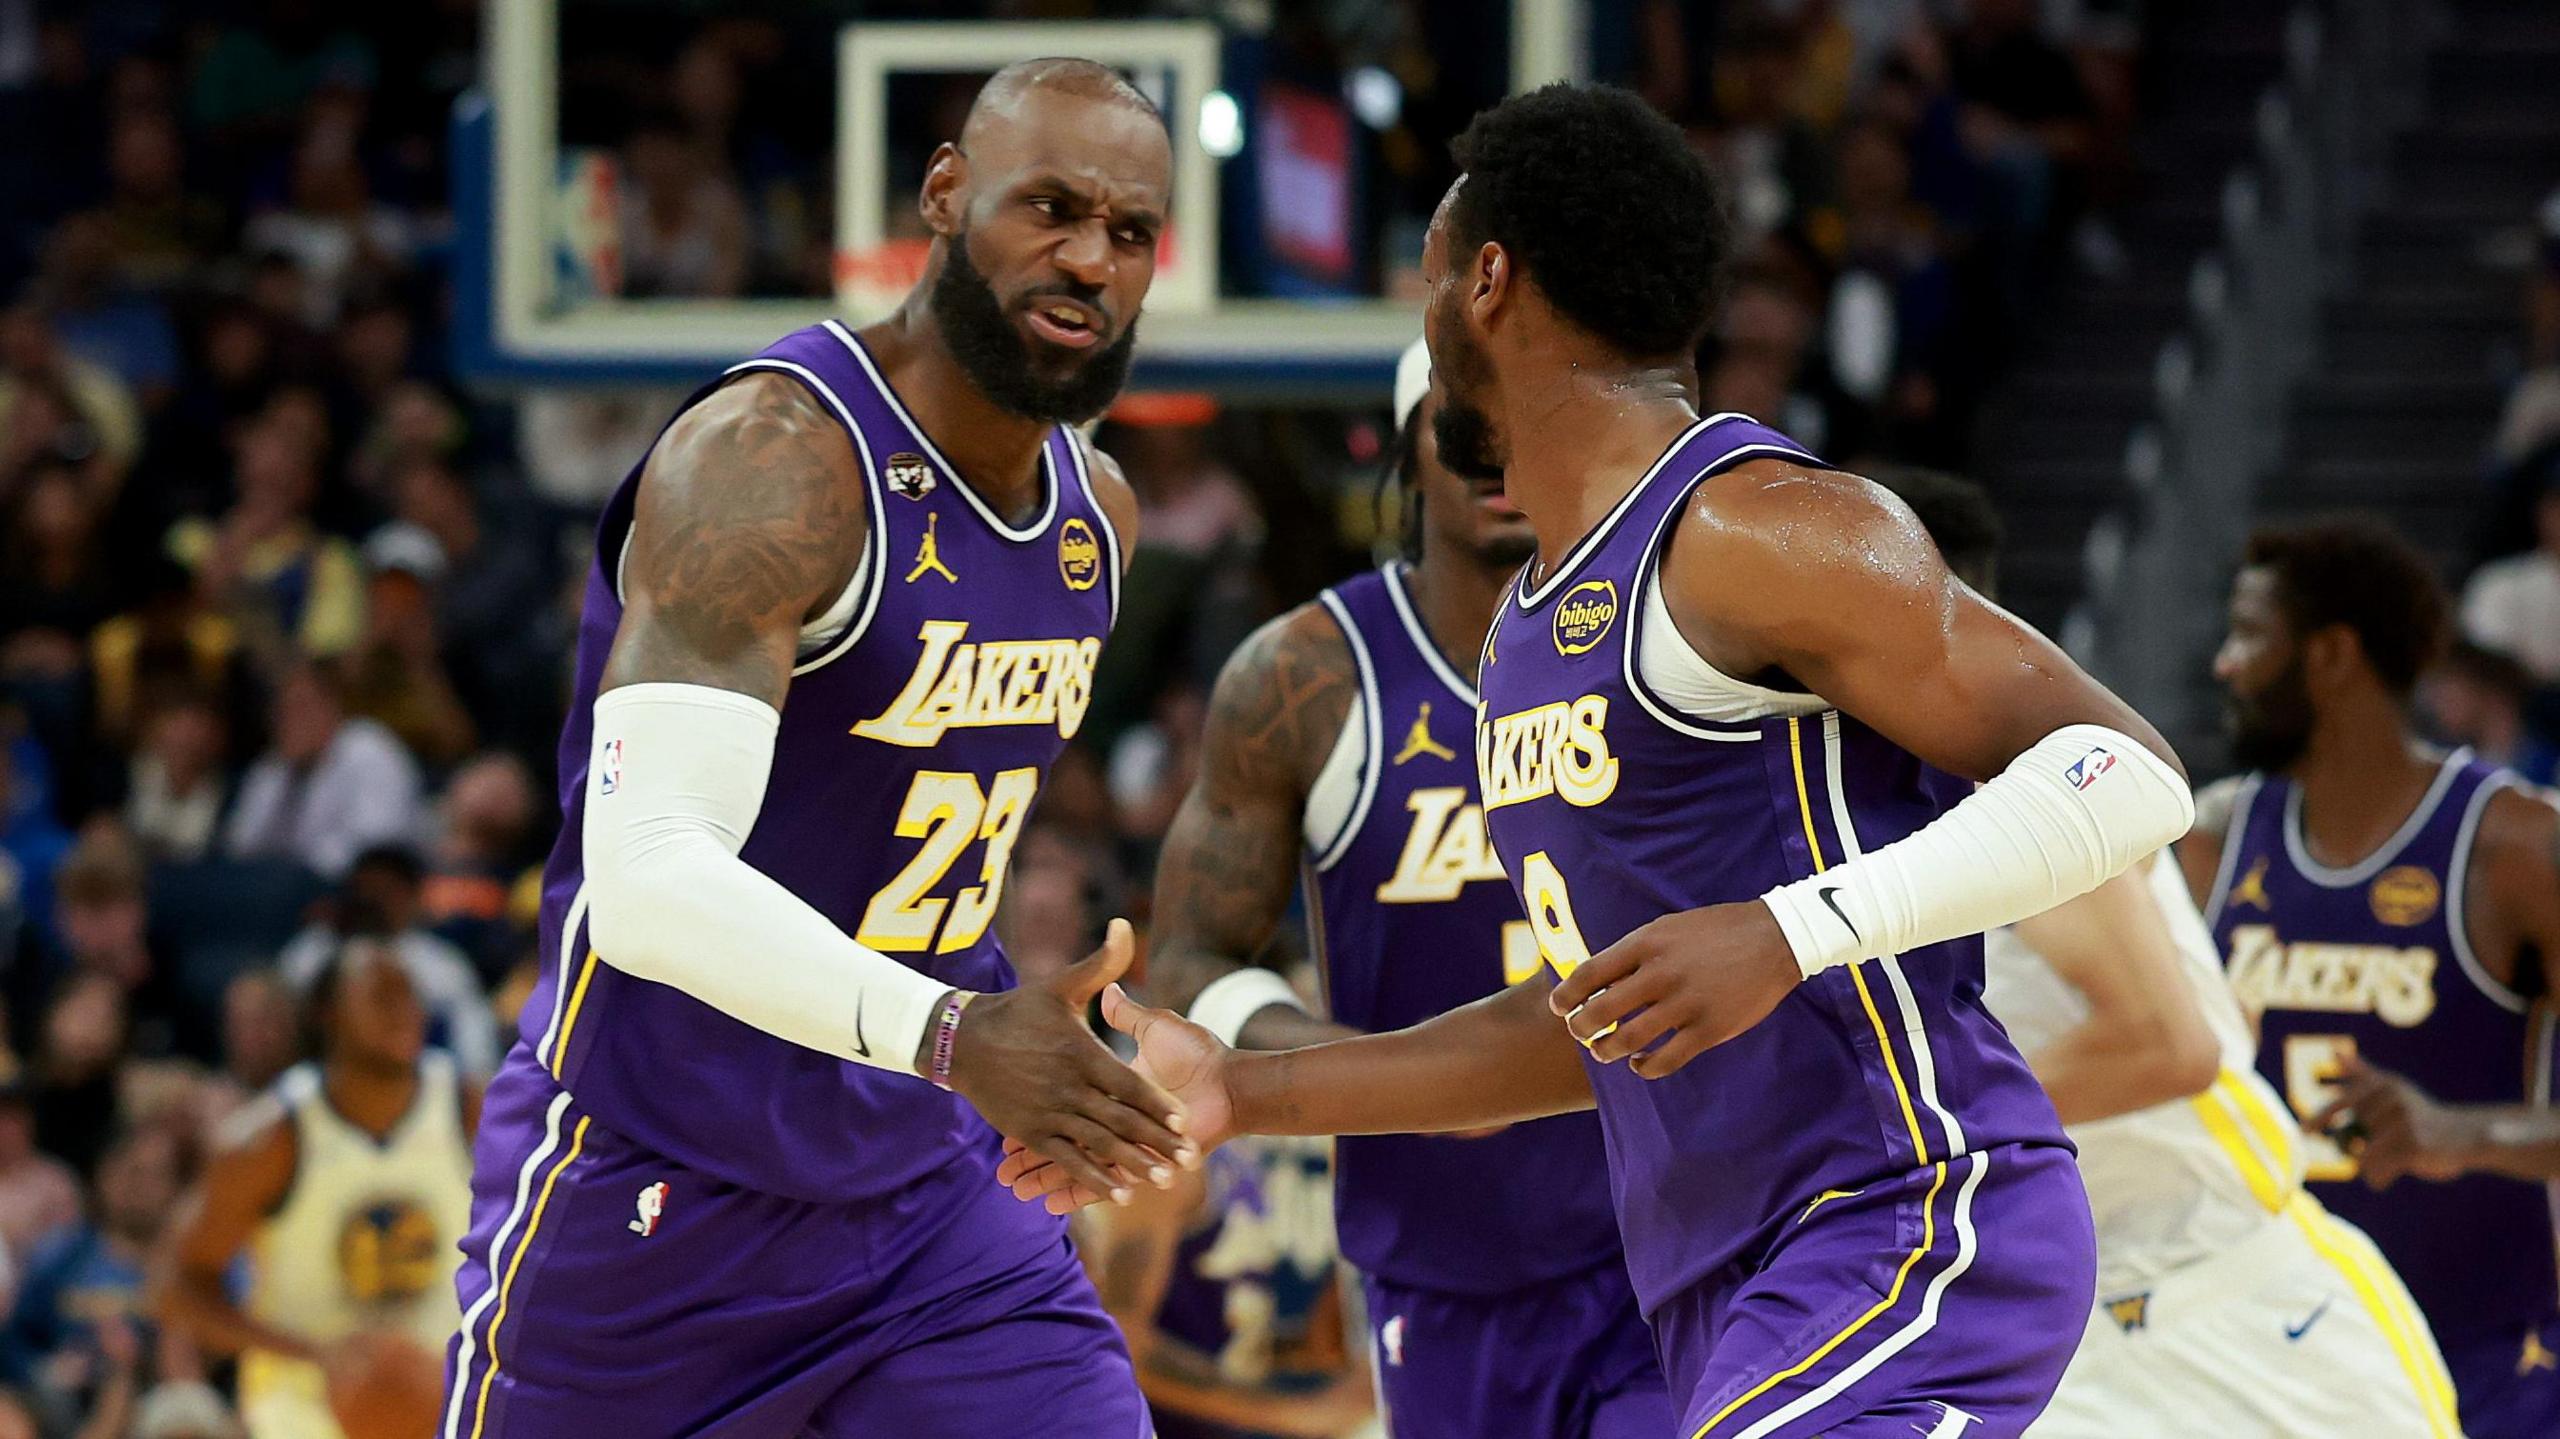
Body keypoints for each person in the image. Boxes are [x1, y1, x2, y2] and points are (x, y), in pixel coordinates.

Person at [1018, 84, 2193, 1436]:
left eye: (1432, 272)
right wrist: (1243, 1089)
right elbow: (1584, 1025)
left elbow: (2128, 769)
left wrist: (1787, 929)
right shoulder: (1531, 631)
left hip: (1903, 1216)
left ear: (1490, 282)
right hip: (1715, 1284)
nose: (1424, 304)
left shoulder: (1757, 527)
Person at [446, 59, 1191, 1439]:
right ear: (946, 195)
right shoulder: (774, 457)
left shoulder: (1101, 518)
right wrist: (960, 1032)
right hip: (661, 1180)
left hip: (931, 1194)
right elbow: (650, 873)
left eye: (1131, 231)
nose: (1090, 255)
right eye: (1051, 207)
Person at [1142, 341, 1667, 1438]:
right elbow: (1191, 958)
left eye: (1522, 420)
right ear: (1406, 445)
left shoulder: (1664, 652)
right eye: (1458, 421)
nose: (1492, 452)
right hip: (1440, 1259)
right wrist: (1382, 1074)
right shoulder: (1305, 675)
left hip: (1670, 1244)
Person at [1886, 471, 2458, 1437]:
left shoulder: (2011, 769)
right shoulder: (1838, 797)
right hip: (2075, 1329)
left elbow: (2170, 1044)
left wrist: (1897, 1130)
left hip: (2244, 1306)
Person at [2182, 518, 2560, 1438]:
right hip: (2266, 1365)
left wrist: (2461, 1131)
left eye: (2248, 635)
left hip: (2485, 1363)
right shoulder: (2208, 845)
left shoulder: (2514, 848)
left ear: (2332, 654)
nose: (2226, 666)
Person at [159, 941, 474, 1439]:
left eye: (410, 994)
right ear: (328, 1013)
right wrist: (315, 1353)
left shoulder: (474, 1108)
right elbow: (176, 1289)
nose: (404, 1010)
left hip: (446, 1403)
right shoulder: (267, 1139)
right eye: (381, 995)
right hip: (303, 1412)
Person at [1084, 1136, 1372, 1439]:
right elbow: (1119, 1337)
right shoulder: (1185, 1136)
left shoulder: (1337, 1132)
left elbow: (1313, 1338)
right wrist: (1301, 1412)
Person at [276, 846, 498, 1079]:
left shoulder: (442, 963)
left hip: (422, 1084)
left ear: (413, 898)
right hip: (322, 1075)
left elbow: (477, 1046)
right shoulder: (312, 950)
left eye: (387, 891)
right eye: (366, 889)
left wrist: (472, 1088)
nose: (373, 900)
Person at [223, 660, 424, 881]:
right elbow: (240, 847)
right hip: (286, 892)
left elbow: (377, 846)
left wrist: (300, 870)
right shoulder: (272, 768)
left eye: (302, 706)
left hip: (362, 892)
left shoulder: (369, 749)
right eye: (283, 710)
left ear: (332, 706)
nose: (291, 720)